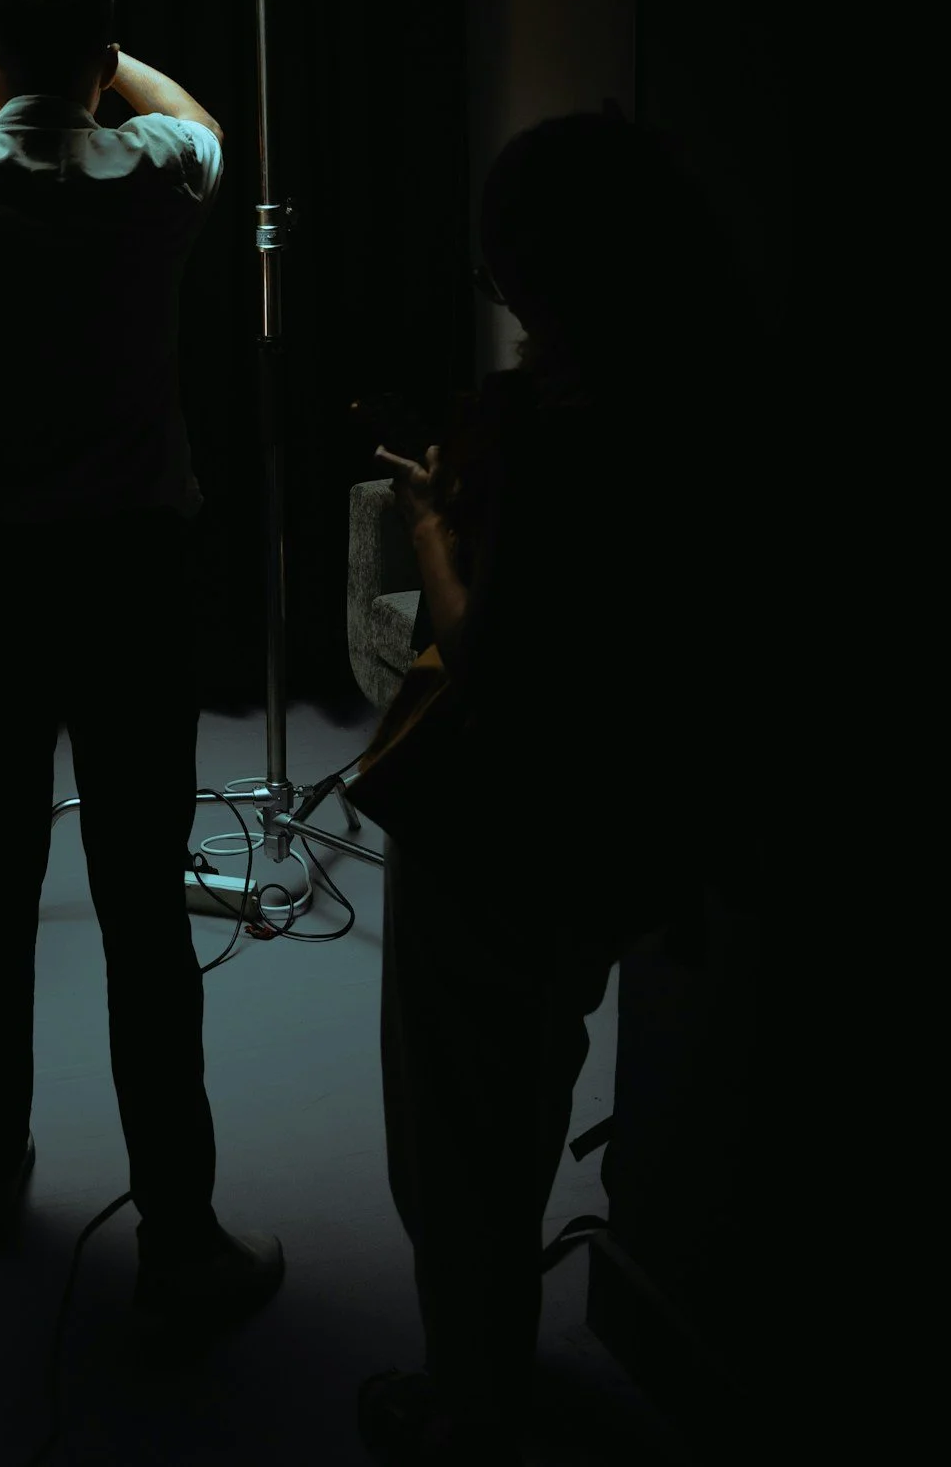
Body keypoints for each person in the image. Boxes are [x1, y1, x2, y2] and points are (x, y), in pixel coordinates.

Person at [0, 0, 285, 1329]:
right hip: (129, 577)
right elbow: (201, 125)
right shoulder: (152, 174)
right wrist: (91, 68)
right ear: (102, 61)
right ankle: (177, 1226)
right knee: (139, 907)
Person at [351, 111, 761, 1467]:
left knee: (458, 1135)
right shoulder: (716, 398)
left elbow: (489, 657)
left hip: (494, 828)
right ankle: (492, 1370)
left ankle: (470, 1401)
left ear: (536, 276)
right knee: (532, 1082)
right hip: (620, 825)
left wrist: (427, 523)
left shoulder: (546, 428)